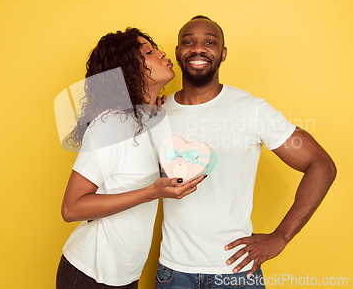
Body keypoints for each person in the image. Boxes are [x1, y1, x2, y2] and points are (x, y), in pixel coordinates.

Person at [154, 16, 337, 289]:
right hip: (172, 273)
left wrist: (281, 237)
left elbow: (320, 164)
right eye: (189, 42)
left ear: (223, 53)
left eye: (210, 42)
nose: (198, 48)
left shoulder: (251, 110)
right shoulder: (156, 112)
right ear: (179, 53)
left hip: (235, 274)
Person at [56, 28, 205, 289]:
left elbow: (162, 173)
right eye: (148, 52)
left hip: (127, 275)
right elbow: (71, 208)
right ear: (128, 71)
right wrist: (150, 192)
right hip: (90, 274)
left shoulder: (155, 118)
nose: (161, 52)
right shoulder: (110, 125)